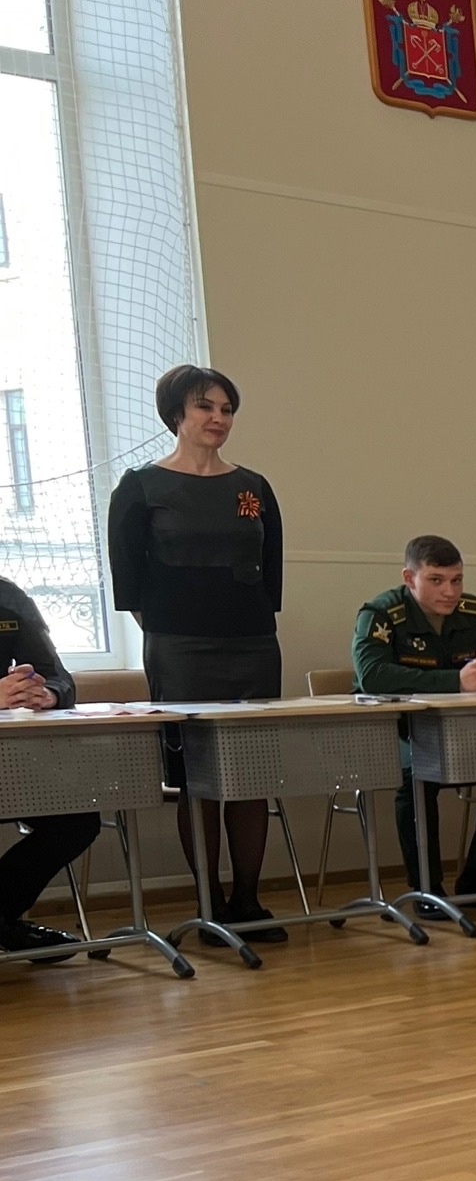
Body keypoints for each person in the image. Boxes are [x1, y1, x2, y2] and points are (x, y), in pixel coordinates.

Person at [107, 365, 285, 941]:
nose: (218, 418)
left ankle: (248, 902)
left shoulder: (253, 487)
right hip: (180, 650)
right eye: (206, 406)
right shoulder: (140, 486)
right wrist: (176, 629)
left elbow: (271, 578)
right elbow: (131, 588)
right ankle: (211, 906)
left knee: (251, 775)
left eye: (227, 409)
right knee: (199, 779)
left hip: (252, 646)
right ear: (176, 414)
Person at [351, 536, 476, 911]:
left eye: (456, 580)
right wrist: (457, 682)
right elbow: (372, 676)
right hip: (394, 732)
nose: (450, 592)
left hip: (457, 733)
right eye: (436, 580)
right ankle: (426, 888)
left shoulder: (475, 613)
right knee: (416, 775)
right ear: (410, 578)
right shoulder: (381, 614)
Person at [0, 579, 100, 961]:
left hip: (9, 762)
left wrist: (46, 694)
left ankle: (2, 914)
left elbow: (58, 676)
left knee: (77, 819)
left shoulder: (9, 598)